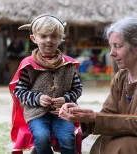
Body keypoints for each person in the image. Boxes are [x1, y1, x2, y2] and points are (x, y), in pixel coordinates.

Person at [59, 17, 137, 154]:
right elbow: (108, 114)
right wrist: (81, 114)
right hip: (130, 136)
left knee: (122, 147)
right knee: (101, 145)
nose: (111, 52)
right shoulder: (120, 77)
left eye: (118, 46)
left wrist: (93, 118)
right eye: (111, 46)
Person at [9, 14, 83, 154]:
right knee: (42, 138)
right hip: (36, 114)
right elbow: (19, 91)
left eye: (54, 36)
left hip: (62, 113)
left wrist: (65, 99)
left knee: (67, 139)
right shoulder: (28, 65)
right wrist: (38, 98)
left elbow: (77, 88)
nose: (49, 40)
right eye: (43, 36)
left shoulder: (68, 64)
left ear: (61, 38)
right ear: (34, 38)